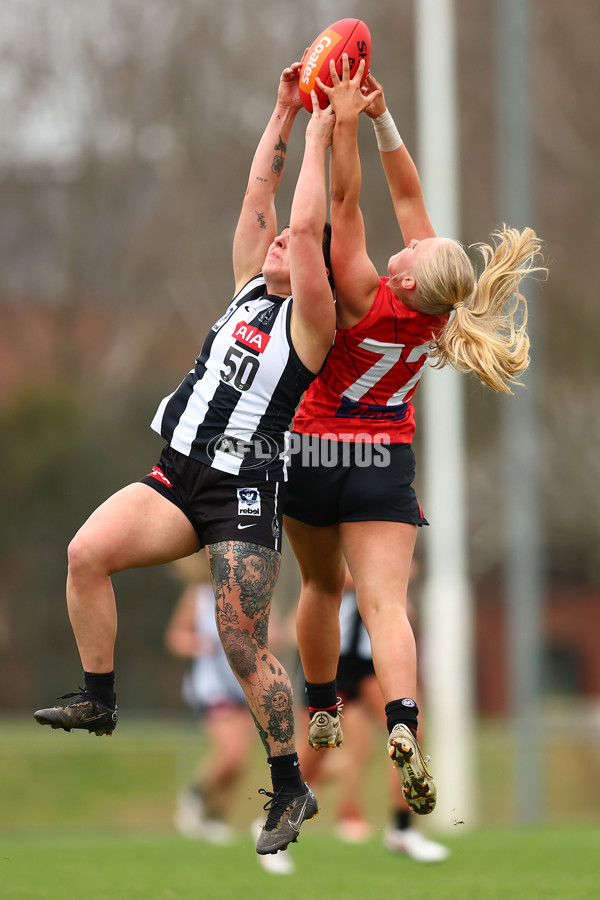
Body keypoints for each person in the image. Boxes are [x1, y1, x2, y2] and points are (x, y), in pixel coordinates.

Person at [33, 63, 337, 856]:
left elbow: (302, 225)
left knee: (242, 644)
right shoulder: (245, 286)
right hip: (178, 474)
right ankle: (100, 699)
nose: (276, 239)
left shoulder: (310, 323)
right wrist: (281, 110)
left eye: (290, 243)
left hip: (243, 490)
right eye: (273, 238)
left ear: (311, 266)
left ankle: (290, 787)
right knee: (84, 554)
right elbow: (256, 199)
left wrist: (324, 129)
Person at [284, 57, 547, 817]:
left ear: (400, 278)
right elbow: (408, 196)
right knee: (387, 608)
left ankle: (323, 705)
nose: (405, 244)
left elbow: (347, 194)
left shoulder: (365, 287)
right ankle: (402, 724)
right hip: (381, 462)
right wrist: (385, 117)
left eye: (407, 253)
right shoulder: (437, 308)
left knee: (320, 588)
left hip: (312, 448)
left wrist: (336, 121)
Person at [298, 566, 450, 862]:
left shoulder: (382, 533)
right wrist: (392, 574)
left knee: (409, 738)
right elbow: (327, 575)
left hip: (371, 660)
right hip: (334, 658)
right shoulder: (336, 536)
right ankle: (278, 813)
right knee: (319, 748)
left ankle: (403, 831)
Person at [166, 555, 296, 874]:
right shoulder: (196, 596)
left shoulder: (258, 596)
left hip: (245, 686)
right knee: (230, 753)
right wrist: (201, 644)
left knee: (239, 762)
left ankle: (213, 818)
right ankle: (195, 796)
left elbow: (274, 634)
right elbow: (176, 638)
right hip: (212, 687)